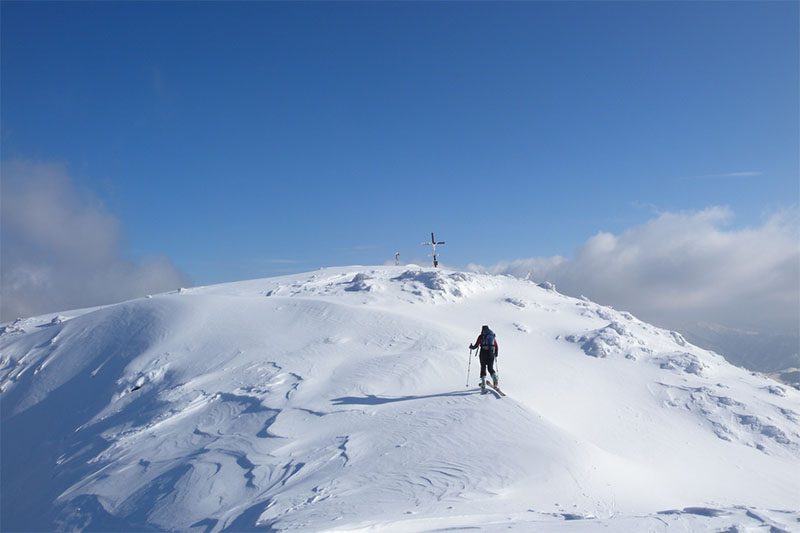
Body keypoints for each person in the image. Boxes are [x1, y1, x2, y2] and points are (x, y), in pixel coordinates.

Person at [469, 325, 498, 392]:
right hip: (491, 353)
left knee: (483, 367)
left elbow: (476, 345)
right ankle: (494, 377)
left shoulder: (481, 336)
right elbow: (496, 346)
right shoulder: (492, 336)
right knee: (490, 368)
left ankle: (483, 383)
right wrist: (496, 354)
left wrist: (471, 347)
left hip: (483, 353)